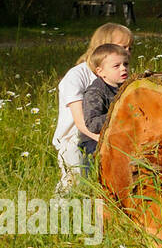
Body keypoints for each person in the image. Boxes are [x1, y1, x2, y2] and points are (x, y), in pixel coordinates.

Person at [52, 22, 134, 191]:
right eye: (123, 46)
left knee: (100, 183)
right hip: (75, 141)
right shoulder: (77, 76)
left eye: (130, 48)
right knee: (75, 183)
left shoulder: (117, 73)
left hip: (101, 138)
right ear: (103, 47)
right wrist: (105, 140)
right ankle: (60, 210)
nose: (127, 52)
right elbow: (81, 122)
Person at [78, 43, 131, 156]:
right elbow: (92, 124)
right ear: (100, 72)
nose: (123, 69)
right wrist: (119, 113)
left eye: (125, 64)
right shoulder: (95, 92)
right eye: (116, 66)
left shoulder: (128, 87)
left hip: (118, 136)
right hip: (93, 143)